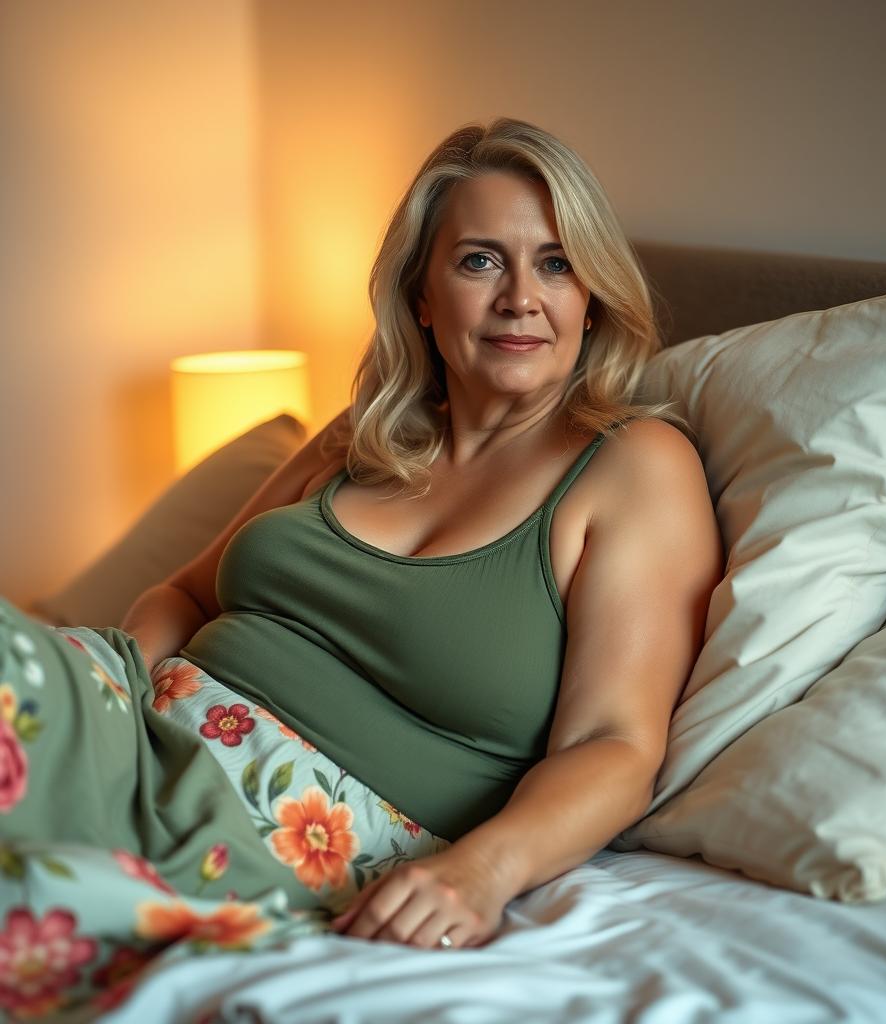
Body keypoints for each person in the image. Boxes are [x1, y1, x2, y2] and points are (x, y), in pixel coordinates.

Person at [0, 116, 721, 990]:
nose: (522, 296)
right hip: (122, 715)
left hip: (271, 830)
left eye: (557, 263)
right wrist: (121, 702)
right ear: (422, 295)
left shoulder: (634, 465)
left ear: (592, 295)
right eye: (480, 260)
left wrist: (482, 870)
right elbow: (184, 595)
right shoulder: (365, 432)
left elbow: (613, 746)